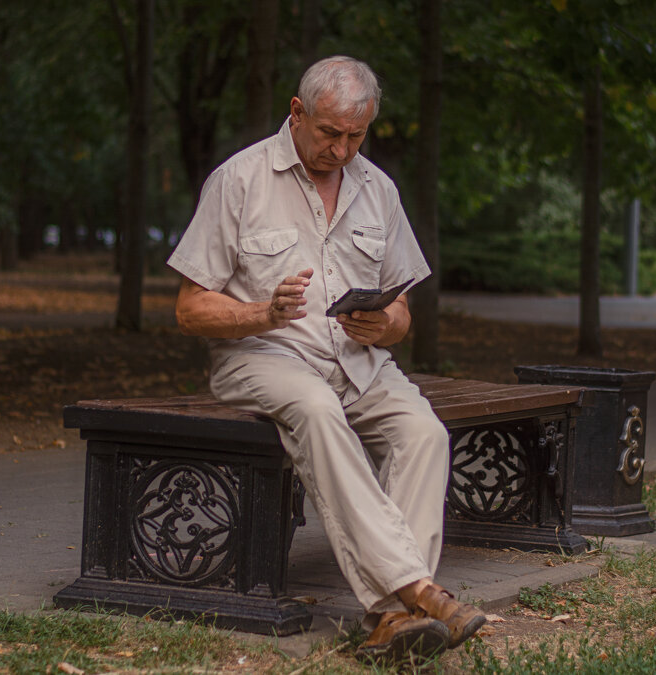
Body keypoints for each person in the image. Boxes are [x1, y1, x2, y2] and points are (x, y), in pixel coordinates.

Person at [167, 55, 486, 665]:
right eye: (329, 133)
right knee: (316, 411)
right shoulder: (239, 180)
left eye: (355, 136)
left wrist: (382, 323)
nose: (341, 150)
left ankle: (394, 618)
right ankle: (420, 592)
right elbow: (188, 310)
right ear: (297, 111)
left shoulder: (379, 190)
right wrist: (262, 312)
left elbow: (402, 315)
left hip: (359, 365)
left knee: (423, 433)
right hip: (263, 357)